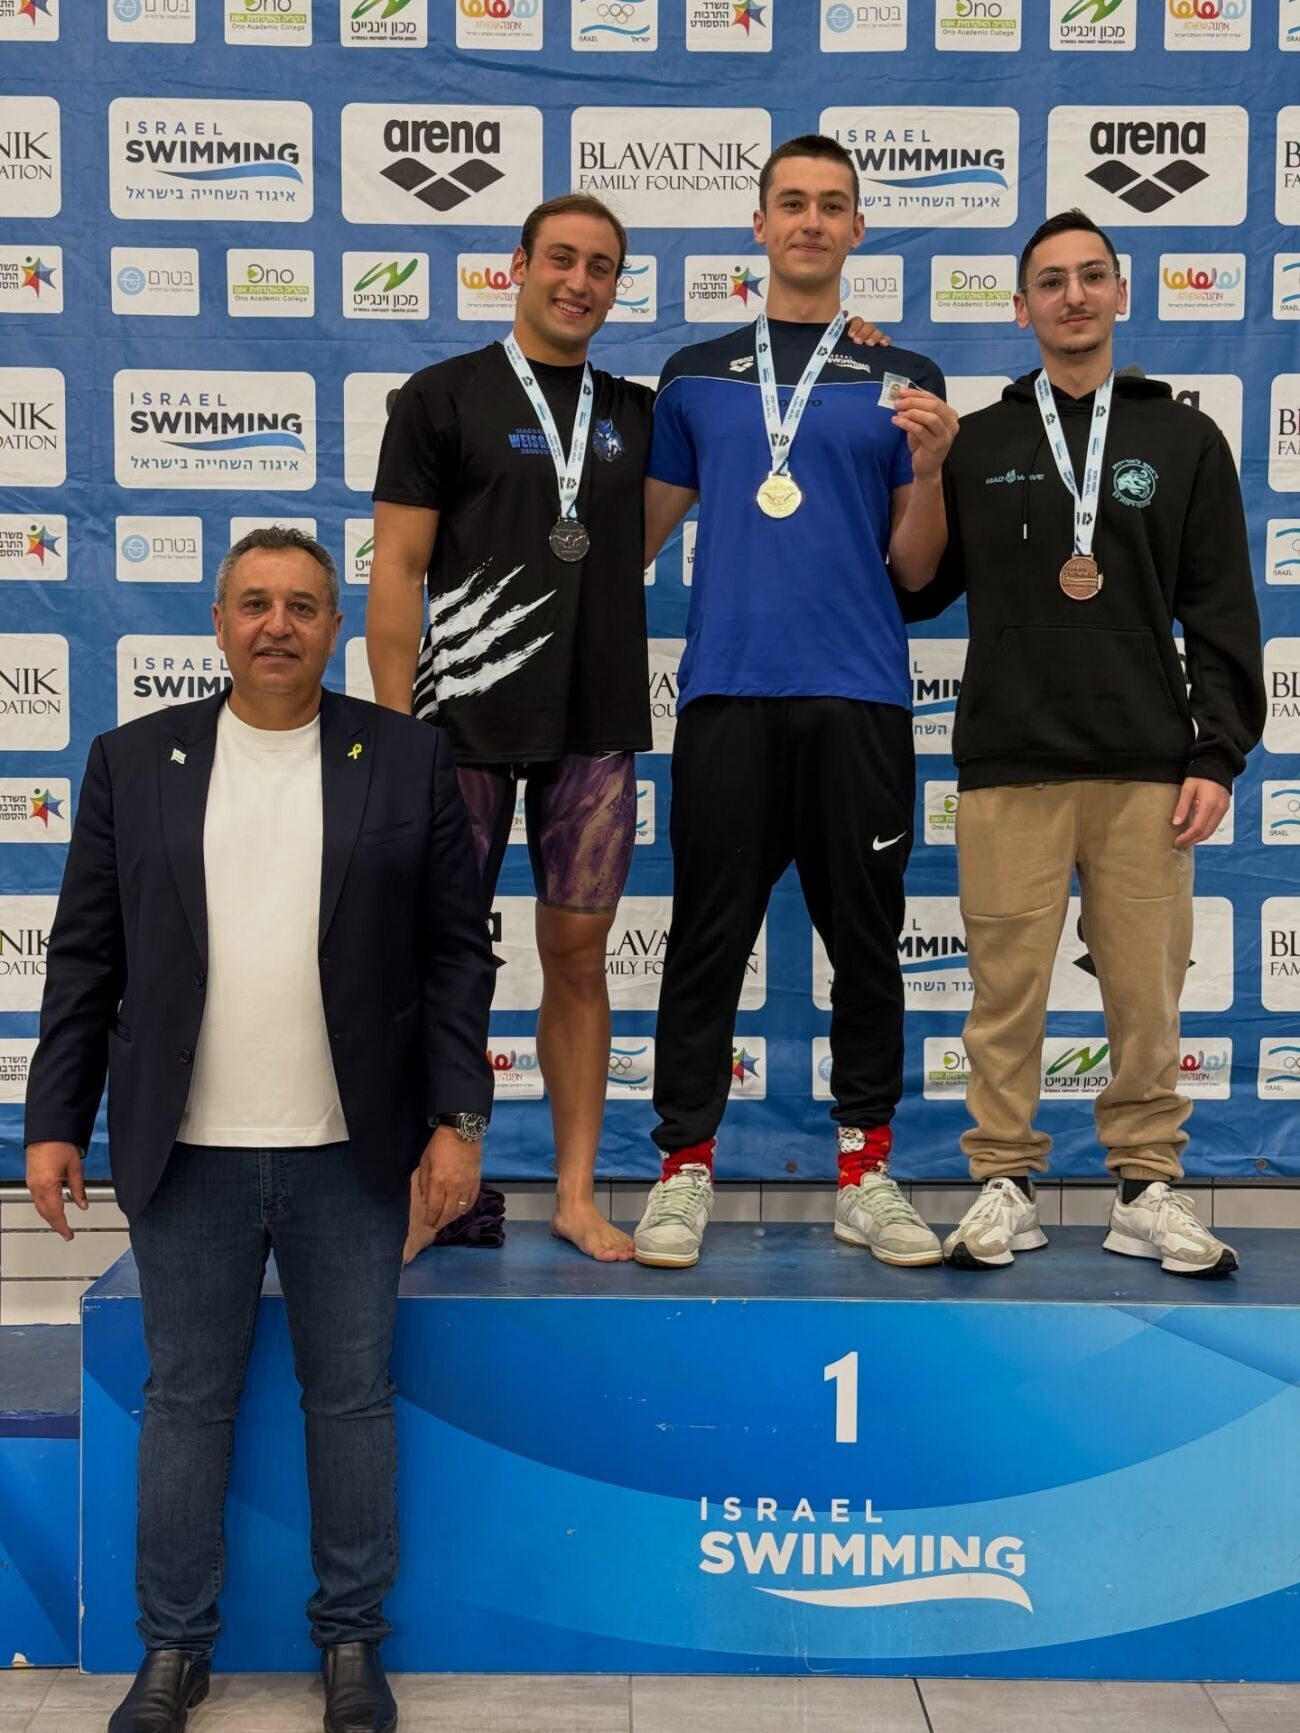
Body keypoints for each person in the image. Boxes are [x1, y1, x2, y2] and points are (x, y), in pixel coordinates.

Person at [24, 526, 495, 1733]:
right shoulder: (134, 761)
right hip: (186, 1152)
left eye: (300, 604)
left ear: (334, 626)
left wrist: (457, 1119)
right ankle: (173, 1649)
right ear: (219, 622)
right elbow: (84, 956)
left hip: (355, 1150)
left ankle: (351, 1645)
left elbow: (455, 955)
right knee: (187, 1402)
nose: (276, 623)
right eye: (253, 602)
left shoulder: (406, 756)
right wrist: (53, 1118)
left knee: (351, 1400)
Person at [914, 210, 1265, 1277]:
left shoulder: (1183, 439)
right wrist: (925, 472)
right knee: (1002, 995)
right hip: (1009, 761)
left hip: (1145, 764)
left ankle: (1146, 1186)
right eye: (1051, 281)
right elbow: (918, 589)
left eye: (1091, 276)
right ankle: (1003, 1184)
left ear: (1120, 293)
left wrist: (1216, 752)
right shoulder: (979, 440)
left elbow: (1221, 608)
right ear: (1020, 307)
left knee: (1147, 998)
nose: (1073, 295)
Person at [634, 134, 959, 1270]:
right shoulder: (694, 375)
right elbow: (635, 538)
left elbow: (917, 568)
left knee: (866, 946)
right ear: (760, 225)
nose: (811, 221)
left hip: (860, 697)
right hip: (727, 693)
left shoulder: (901, 376)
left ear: (858, 229)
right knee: (703, 940)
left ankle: (866, 1172)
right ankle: (683, 1168)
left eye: (832, 205)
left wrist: (931, 469)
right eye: (792, 203)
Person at [368, 194, 654, 1264]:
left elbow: (751, 418)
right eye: (561, 259)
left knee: (578, 960)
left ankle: (575, 1195)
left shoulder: (639, 412)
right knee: (436, 961)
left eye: (601, 266)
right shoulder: (441, 396)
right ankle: (420, 1190)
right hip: (461, 721)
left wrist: (855, 343)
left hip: (592, 722)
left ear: (616, 285)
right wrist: (394, 734)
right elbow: (397, 572)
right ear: (518, 265)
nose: (579, 281)